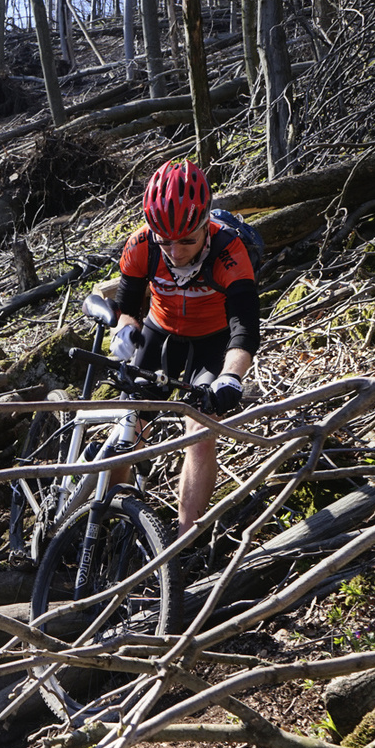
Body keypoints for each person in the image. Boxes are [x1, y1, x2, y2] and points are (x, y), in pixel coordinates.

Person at [110, 158, 260, 533]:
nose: (175, 252)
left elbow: (244, 330)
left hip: (213, 342)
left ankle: (183, 536)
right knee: (132, 419)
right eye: (166, 242)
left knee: (201, 431)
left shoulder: (231, 252)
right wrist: (125, 330)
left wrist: (231, 378)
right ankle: (108, 518)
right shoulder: (141, 244)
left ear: (205, 224)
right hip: (160, 333)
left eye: (188, 241)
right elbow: (127, 307)